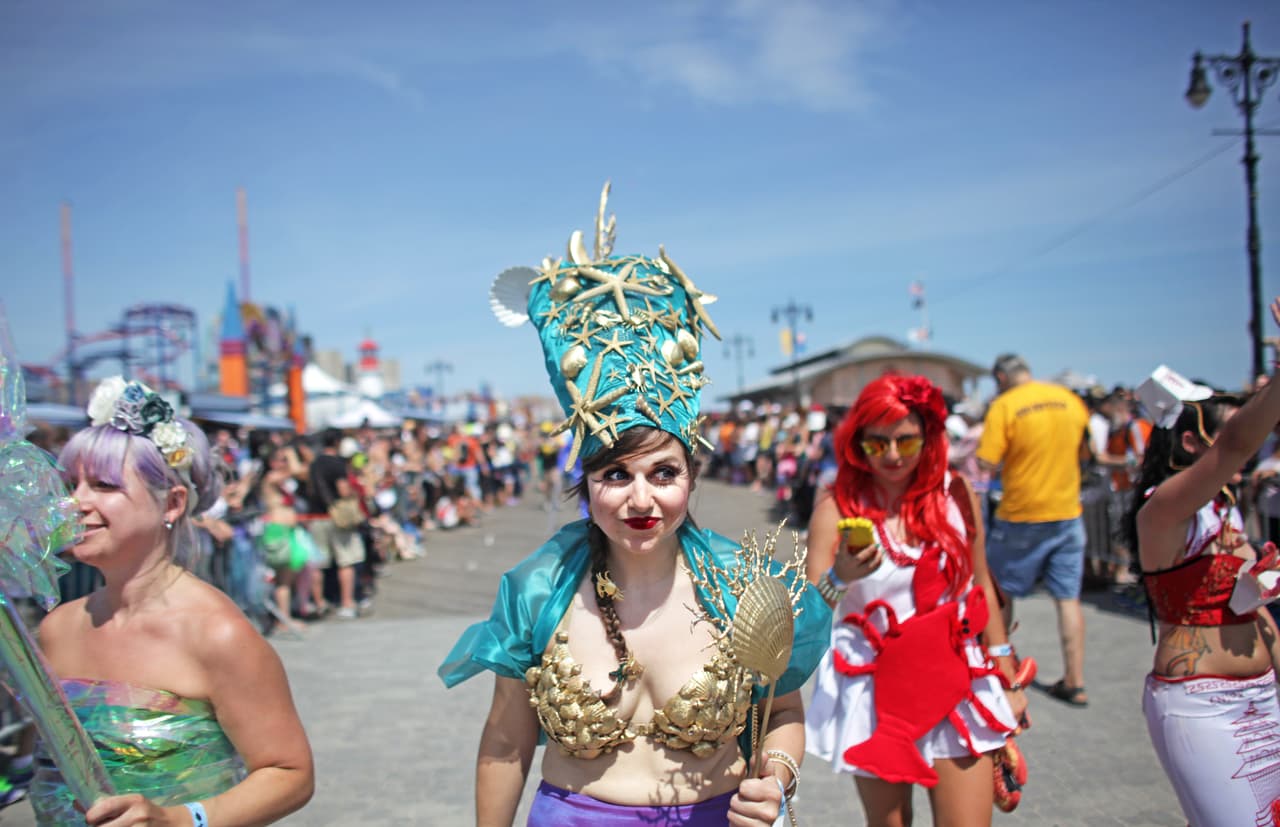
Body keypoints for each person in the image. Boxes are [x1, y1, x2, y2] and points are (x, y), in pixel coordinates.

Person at [439, 184, 830, 826]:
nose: (641, 498)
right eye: (616, 474)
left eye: (663, 473)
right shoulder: (540, 592)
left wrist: (778, 781)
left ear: (692, 477)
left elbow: (783, 714)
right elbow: (507, 741)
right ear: (586, 483)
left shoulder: (745, 588)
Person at [32, 376, 313, 825]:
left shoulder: (215, 632)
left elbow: (289, 773)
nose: (76, 503)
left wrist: (182, 819)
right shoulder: (57, 629)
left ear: (173, 504)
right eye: (70, 485)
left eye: (103, 485)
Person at [804, 375, 1024, 826]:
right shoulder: (838, 505)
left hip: (958, 680)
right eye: (876, 443)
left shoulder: (955, 493)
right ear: (856, 442)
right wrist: (839, 577)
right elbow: (810, 609)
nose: (891, 455)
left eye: (905, 441)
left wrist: (1006, 670)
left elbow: (979, 580)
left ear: (929, 438)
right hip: (876, 692)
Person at [1129, 343, 1280, 827]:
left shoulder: (1225, 503)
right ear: (1192, 442)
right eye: (1233, 429)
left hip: (1264, 694)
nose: (1253, 444)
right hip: (1203, 708)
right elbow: (1236, 443)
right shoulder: (1163, 509)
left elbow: (1254, 611)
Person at [976, 353, 1091, 706]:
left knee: (999, 594)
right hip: (1067, 511)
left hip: (1021, 513)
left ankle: (999, 672)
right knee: (1067, 599)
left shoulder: (1006, 406)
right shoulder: (1069, 400)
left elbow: (986, 461)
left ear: (1000, 377)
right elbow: (1087, 453)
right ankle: (1075, 680)